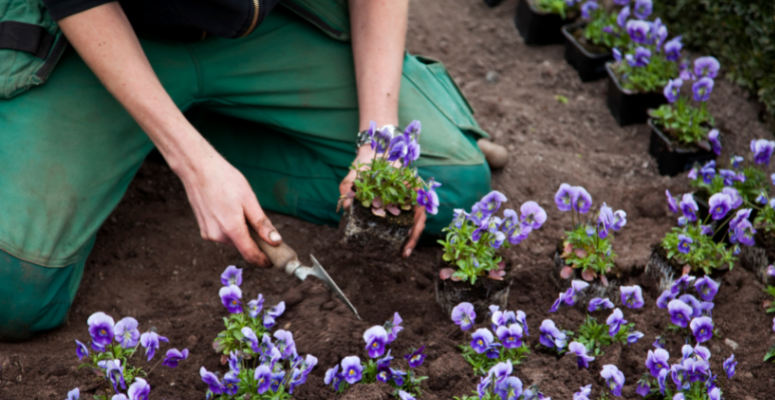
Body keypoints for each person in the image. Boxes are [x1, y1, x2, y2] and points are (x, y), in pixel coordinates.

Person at [0, 0, 500, 339]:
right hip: (107, 37)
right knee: (13, 289)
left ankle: (181, 136)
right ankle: (156, 134)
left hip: (262, 32)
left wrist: (380, 139)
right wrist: (191, 163)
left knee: (446, 189)